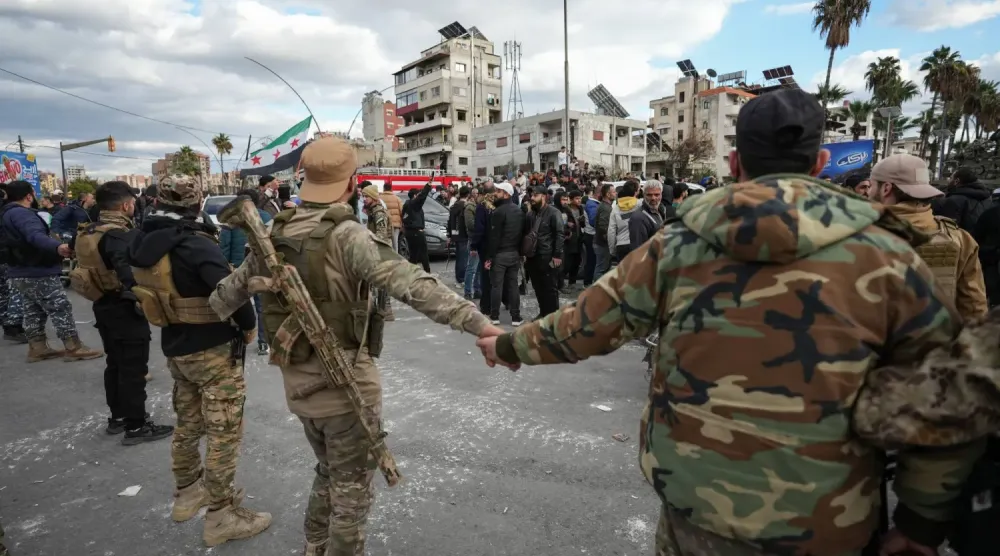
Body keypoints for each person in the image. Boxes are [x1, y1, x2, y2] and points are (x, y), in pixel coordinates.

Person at [477, 87, 980, 556]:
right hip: (832, 518)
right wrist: (922, 521)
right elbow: (944, 395)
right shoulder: (890, 258)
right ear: (821, 163)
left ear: (735, 162)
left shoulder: (678, 246)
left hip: (698, 509)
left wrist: (508, 346)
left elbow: (585, 326)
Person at [207, 136, 503, 556]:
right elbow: (415, 285)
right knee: (352, 493)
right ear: (350, 184)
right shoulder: (347, 235)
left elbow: (222, 298)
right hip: (345, 390)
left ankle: (314, 545)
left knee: (328, 472)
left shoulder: (273, 232)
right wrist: (481, 325)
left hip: (299, 387)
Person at [127, 175, 269, 547]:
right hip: (212, 348)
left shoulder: (143, 240)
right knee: (224, 433)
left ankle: (189, 490)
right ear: (196, 201)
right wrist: (250, 326)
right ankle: (221, 516)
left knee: (188, 423)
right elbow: (230, 293)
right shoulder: (194, 244)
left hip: (176, 344)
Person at [74, 181, 174, 444]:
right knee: (132, 368)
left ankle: (118, 418)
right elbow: (129, 274)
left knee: (115, 364)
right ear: (126, 205)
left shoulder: (89, 230)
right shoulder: (119, 235)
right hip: (124, 307)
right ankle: (136, 426)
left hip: (103, 304)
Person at [867, 154, 988, 321]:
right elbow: (974, 307)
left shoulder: (857, 233)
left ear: (886, 188)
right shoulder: (960, 238)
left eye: (871, 186)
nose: (868, 192)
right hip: (936, 343)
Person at [0, 181, 102, 362]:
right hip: (37, 269)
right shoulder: (22, 214)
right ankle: (74, 347)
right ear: (29, 196)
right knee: (60, 306)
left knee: (33, 309)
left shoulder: (6, 213)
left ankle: (38, 347)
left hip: (19, 270)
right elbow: (35, 236)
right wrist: (58, 247)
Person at [220, 188, 273, 356]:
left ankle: (238, 340)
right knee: (261, 305)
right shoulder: (266, 217)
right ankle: (264, 342)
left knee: (237, 303)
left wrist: (225, 265)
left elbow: (225, 245)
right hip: (260, 267)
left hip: (236, 267)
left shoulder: (231, 221)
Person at [484, 182, 524, 325]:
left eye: (499, 191)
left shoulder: (498, 212)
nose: (495, 193)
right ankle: (516, 317)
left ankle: (494, 316)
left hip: (501, 254)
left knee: (497, 286)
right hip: (514, 253)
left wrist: (489, 257)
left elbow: (494, 237)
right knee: (513, 286)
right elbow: (521, 234)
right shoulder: (519, 211)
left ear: (506, 194)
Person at [524, 186, 563, 320]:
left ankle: (553, 318)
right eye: (531, 195)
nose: (532, 198)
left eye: (535, 195)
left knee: (550, 288)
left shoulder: (553, 212)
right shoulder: (530, 214)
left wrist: (557, 255)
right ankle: (543, 313)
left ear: (544, 196)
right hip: (533, 257)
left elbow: (559, 234)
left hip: (548, 256)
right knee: (538, 286)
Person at [362, 184, 395, 322]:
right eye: (363, 196)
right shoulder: (373, 211)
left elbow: (381, 236)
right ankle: (383, 310)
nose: (364, 199)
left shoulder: (379, 213)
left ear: (374, 198)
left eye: (366, 196)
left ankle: (385, 310)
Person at [933, 166, 992, 233]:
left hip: (960, 241)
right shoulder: (987, 198)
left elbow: (948, 231)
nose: (948, 181)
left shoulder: (953, 201)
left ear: (956, 181)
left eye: (951, 178)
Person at [472, 185, 497, 314]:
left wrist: (473, 245)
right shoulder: (500, 205)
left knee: (485, 276)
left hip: (485, 247)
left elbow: (479, 229)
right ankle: (502, 303)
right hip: (499, 246)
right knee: (499, 275)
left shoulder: (482, 207)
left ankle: (486, 305)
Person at [628, 179, 671, 251]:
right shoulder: (638, 218)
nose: (653, 198)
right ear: (644, 195)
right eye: (649, 195)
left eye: (656, 194)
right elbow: (638, 250)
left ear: (661, 194)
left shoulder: (660, 211)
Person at [402, 180, 432, 273]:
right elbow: (422, 196)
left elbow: (404, 218)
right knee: (423, 254)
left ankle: (411, 274)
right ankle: (427, 273)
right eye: (417, 194)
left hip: (409, 232)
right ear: (414, 196)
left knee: (413, 254)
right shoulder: (413, 204)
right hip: (416, 231)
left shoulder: (407, 205)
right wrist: (428, 185)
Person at [606, 180, 639, 262]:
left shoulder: (615, 209)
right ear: (635, 192)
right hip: (637, 244)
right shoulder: (640, 205)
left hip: (621, 246)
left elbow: (611, 231)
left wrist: (612, 250)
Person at [448, 186, 471, 287]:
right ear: (468, 195)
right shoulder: (466, 206)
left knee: (459, 258)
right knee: (464, 258)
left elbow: (449, 222)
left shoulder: (454, 206)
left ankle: (458, 278)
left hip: (455, 234)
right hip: (464, 235)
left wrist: (450, 235)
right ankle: (461, 279)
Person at [563, 190, 586, 290]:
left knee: (577, 261)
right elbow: (561, 222)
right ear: (571, 199)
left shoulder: (580, 208)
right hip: (569, 238)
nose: (579, 200)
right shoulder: (565, 209)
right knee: (567, 262)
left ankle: (572, 282)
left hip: (579, 237)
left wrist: (582, 221)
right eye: (577, 198)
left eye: (580, 198)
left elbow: (583, 224)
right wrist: (567, 225)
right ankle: (561, 282)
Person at [463, 187, 482, 300]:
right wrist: (481, 226)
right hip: (473, 240)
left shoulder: (479, 206)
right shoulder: (469, 207)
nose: (476, 195)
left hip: (479, 240)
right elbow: (470, 224)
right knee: (471, 268)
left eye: (478, 193)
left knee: (478, 268)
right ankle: (468, 291)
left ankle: (477, 290)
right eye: (474, 193)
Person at [593, 183, 615, 280]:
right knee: (601, 269)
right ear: (608, 194)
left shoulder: (605, 206)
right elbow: (603, 227)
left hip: (602, 243)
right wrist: (609, 240)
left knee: (604, 268)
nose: (616, 193)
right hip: (603, 244)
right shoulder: (605, 208)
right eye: (614, 192)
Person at [379, 182, 403, 253]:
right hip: (395, 224)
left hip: (384, 223)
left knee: (384, 241)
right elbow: (402, 211)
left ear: (384, 188)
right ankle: (395, 257)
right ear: (391, 188)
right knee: (395, 242)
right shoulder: (397, 198)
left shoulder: (379, 198)